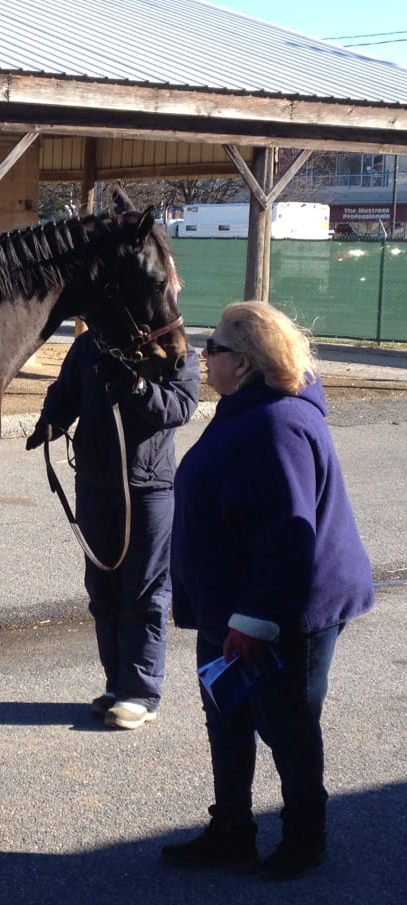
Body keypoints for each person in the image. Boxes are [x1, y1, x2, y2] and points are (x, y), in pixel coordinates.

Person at [163, 301, 374, 880]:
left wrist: (252, 620)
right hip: (231, 607)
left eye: (217, 349)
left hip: (283, 613)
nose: (204, 357)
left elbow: (289, 539)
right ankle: (232, 830)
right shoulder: (244, 409)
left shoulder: (278, 423)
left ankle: (306, 839)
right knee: (226, 715)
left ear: (248, 363)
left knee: (286, 726)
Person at [26, 321, 201, 729]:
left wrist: (136, 388)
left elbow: (179, 408)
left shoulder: (174, 351)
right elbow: (65, 392)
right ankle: (116, 683)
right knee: (102, 589)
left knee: (145, 591)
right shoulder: (90, 344)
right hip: (94, 483)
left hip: (148, 487)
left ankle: (141, 692)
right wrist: (49, 421)